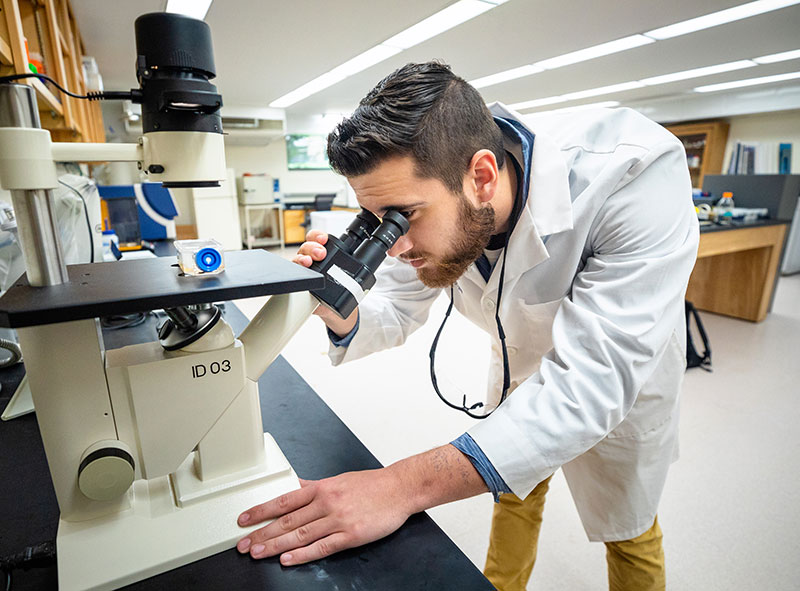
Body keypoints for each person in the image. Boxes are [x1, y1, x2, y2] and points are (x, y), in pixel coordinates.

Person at [235, 61, 698, 590]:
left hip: (621, 386)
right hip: (520, 365)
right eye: (378, 221)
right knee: (512, 493)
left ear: (481, 176)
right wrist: (346, 313)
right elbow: (402, 308)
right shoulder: (439, 200)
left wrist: (400, 485)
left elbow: (589, 387)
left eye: (404, 218)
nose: (396, 243)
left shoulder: (634, 173)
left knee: (629, 529)